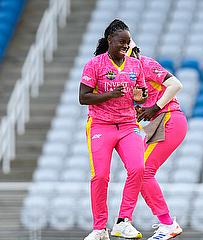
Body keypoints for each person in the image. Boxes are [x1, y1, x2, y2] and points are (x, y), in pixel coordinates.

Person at [79, 19, 147, 240]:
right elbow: (83, 97)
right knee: (100, 176)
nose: (125, 47)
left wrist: (141, 97)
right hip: (100, 124)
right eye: (121, 42)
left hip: (128, 124)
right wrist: (110, 94)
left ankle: (123, 222)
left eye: (128, 43)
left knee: (138, 168)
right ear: (110, 40)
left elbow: (141, 94)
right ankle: (100, 228)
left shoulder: (135, 65)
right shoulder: (95, 64)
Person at [128, 41, 187, 240]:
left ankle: (168, 223)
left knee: (142, 171)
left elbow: (176, 85)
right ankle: (166, 222)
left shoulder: (144, 64)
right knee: (140, 171)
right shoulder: (130, 74)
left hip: (169, 118)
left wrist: (154, 107)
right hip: (160, 122)